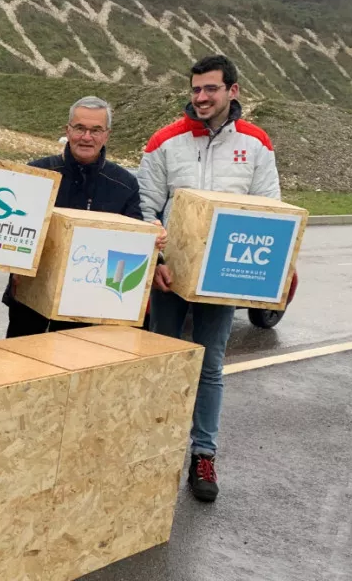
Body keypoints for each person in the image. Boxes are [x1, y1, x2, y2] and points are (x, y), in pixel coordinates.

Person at [138, 54, 280, 503]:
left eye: (210, 89)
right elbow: (145, 208)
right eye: (195, 89)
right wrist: (154, 261)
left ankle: (203, 454)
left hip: (222, 278)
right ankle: (155, 450)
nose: (200, 97)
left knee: (211, 366)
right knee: (164, 361)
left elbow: (269, 211)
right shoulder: (164, 142)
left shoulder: (257, 144)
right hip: (171, 275)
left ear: (232, 91)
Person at [4, 96, 165, 337]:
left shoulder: (124, 184)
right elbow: (12, 230)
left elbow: (133, 242)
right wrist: (14, 268)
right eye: (79, 128)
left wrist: (153, 241)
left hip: (90, 306)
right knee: (22, 368)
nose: (86, 137)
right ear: (67, 130)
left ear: (106, 135)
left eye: (96, 130)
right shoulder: (37, 173)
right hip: (31, 302)